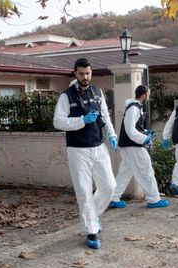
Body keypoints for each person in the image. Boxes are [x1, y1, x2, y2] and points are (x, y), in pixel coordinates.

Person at [53, 58, 118, 250]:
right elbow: (58, 122)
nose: (85, 77)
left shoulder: (98, 92)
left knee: (109, 186)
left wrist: (112, 135)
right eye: (81, 73)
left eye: (88, 73)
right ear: (75, 73)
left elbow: (105, 116)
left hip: (99, 146)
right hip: (77, 149)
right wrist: (82, 120)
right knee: (84, 190)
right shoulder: (66, 96)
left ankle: (93, 217)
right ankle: (91, 230)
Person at [109, 85, 169, 209]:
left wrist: (145, 132)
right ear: (143, 95)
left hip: (128, 147)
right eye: (148, 94)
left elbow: (133, 127)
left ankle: (114, 197)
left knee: (125, 173)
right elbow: (130, 129)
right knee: (146, 171)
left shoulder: (134, 107)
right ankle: (153, 199)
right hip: (134, 147)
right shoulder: (134, 108)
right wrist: (144, 138)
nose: (149, 97)